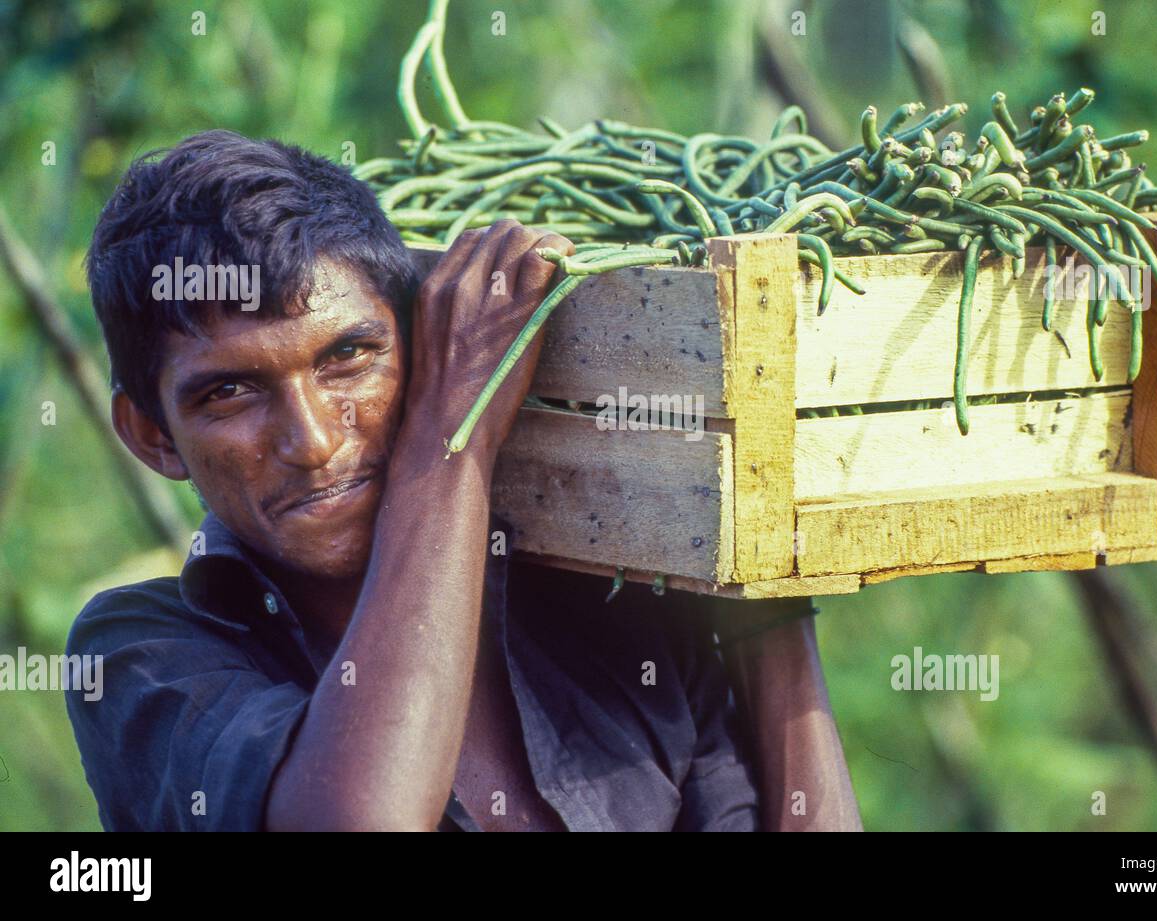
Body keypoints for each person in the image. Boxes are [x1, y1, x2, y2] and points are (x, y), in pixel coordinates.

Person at [64, 129, 861, 831]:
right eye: (228, 392)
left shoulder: (614, 614)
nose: (309, 440)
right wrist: (455, 433)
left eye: (347, 357)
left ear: (421, 343)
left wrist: (766, 569)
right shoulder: (141, 657)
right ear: (151, 435)